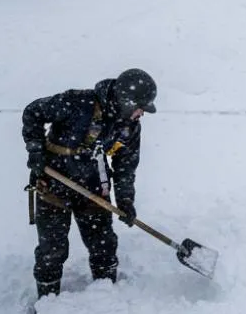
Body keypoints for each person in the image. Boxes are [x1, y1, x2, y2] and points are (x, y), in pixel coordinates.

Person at [23, 68, 158, 298]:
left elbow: (125, 165)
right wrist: (36, 151)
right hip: (53, 181)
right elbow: (33, 112)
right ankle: (47, 301)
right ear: (126, 101)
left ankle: (105, 297)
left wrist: (125, 200)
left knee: (103, 244)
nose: (142, 114)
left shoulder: (129, 126)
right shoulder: (77, 102)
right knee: (52, 250)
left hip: (94, 184)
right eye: (140, 108)